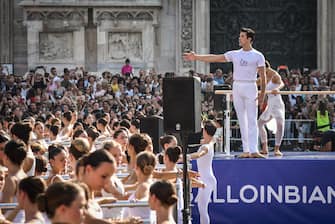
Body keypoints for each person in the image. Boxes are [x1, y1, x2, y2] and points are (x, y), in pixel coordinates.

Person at [183, 27, 266, 158]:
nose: (239, 38)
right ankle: (246, 150)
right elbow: (216, 58)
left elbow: (263, 76)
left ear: (249, 39)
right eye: (240, 36)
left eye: (242, 36)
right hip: (237, 85)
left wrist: (262, 94)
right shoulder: (235, 54)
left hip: (251, 85)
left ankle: (254, 149)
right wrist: (196, 57)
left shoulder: (258, 56)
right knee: (242, 119)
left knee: (252, 119)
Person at [188, 120, 217, 224]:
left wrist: (185, 157)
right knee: (202, 208)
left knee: (203, 210)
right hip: (206, 179)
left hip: (206, 180)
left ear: (205, 131)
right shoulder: (210, 142)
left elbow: (199, 155)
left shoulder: (206, 146)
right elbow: (213, 139)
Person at [257, 60, 285, 156]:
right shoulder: (262, 77)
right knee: (259, 123)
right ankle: (264, 147)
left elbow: (282, 83)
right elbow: (253, 83)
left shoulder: (274, 74)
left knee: (280, 124)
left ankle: (277, 148)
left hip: (277, 103)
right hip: (269, 103)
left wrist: (277, 88)